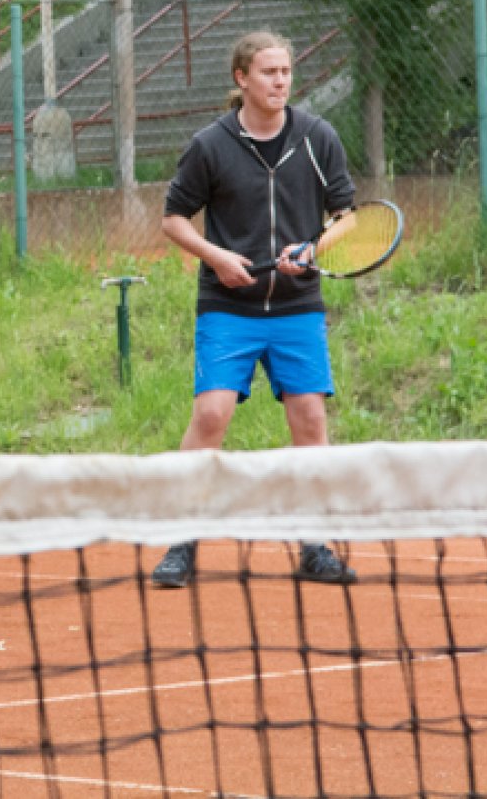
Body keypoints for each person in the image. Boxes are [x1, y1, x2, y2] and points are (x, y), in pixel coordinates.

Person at [152, 31, 357, 590]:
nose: (280, 81)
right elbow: (173, 219)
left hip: (297, 307)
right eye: (269, 72)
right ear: (242, 78)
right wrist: (216, 257)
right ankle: (181, 541)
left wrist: (312, 250)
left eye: (286, 71)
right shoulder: (209, 146)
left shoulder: (317, 137)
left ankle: (314, 546)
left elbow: (347, 216)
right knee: (211, 415)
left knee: (310, 419)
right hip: (228, 308)